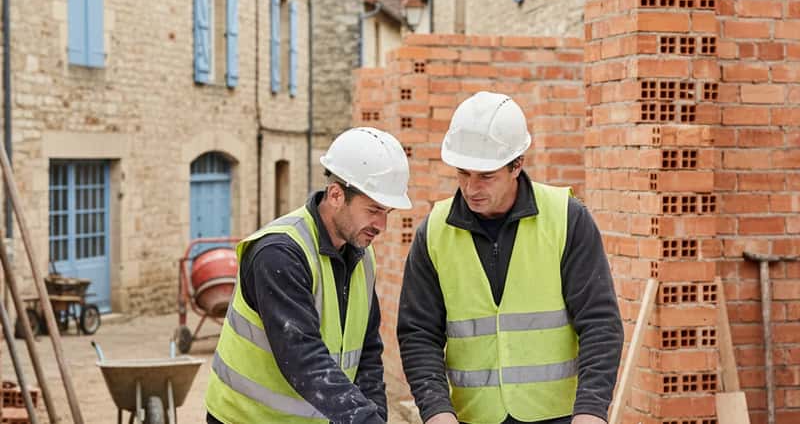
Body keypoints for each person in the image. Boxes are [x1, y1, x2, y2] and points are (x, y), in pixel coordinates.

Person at [397, 92, 623, 424]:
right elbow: (418, 333)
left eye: (486, 176)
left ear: (517, 164)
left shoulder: (566, 219)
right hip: (470, 418)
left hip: (558, 417)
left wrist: (591, 410)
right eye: (463, 173)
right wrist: (436, 411)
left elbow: (600, 323)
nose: (471, 188)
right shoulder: (434, 232)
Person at [205, 127, 412, 424]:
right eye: (373, 210)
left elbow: (367, 352)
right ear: (337, 195)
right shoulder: (279, 254)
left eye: (387, 213)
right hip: (247, 419)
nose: (381, 225)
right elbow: (303, 357)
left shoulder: (362, 255)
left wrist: (376, 415)